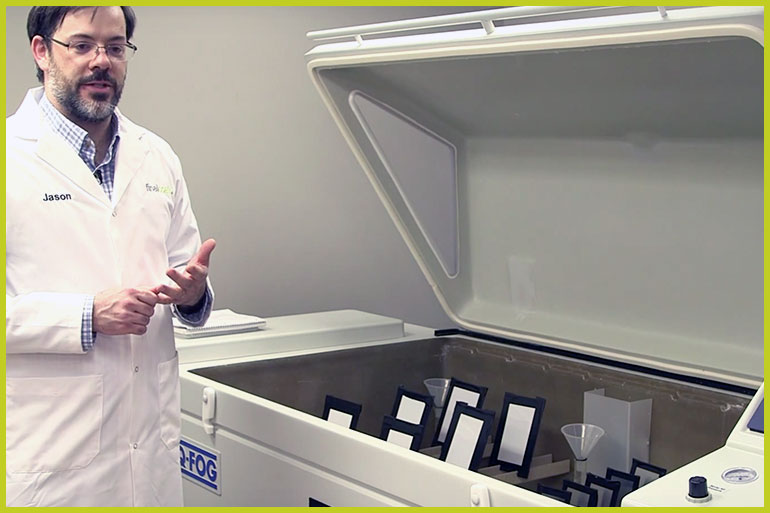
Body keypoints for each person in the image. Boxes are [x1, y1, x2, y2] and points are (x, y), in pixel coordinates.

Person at [6, 6, 215, 507]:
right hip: (47, 460)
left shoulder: (157, 156)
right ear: (42, 51)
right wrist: (87, 315)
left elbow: (187, 272)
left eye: (115, 48)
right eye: (82, 45)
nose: (102, 61)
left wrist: (192, 295)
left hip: (151, 455)